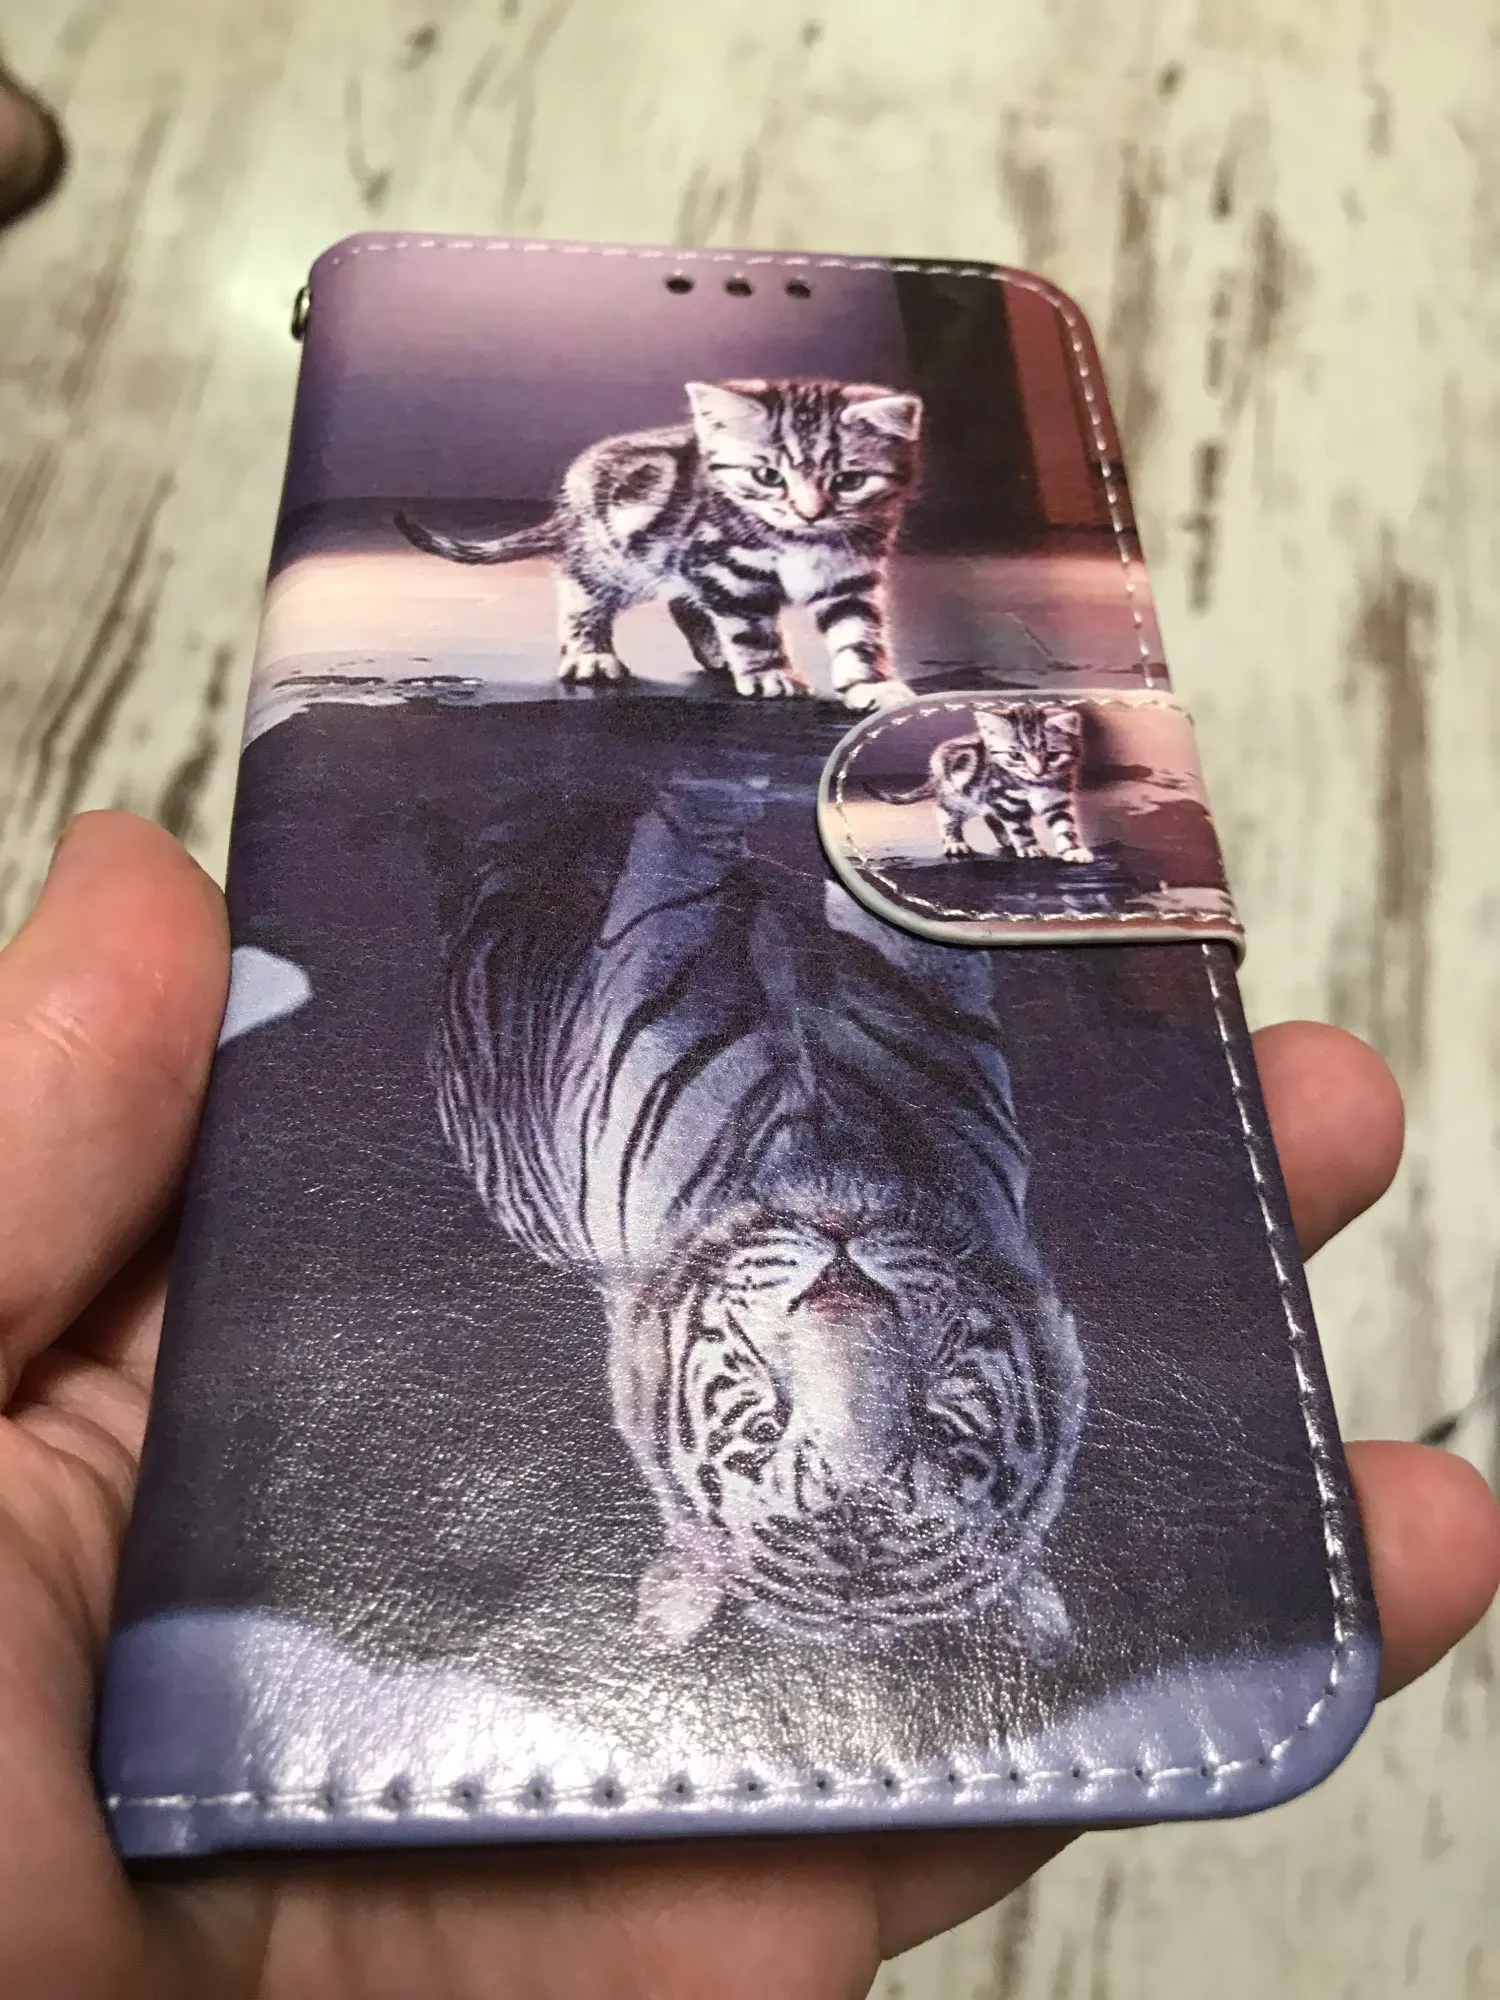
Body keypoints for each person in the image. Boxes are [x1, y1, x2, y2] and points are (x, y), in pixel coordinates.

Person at [1, 809, 1497, 1999]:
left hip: (547, 968)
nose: (843, 1329)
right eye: (946, 1431)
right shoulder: (972, 1229)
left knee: (657, 838)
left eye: (764, 1428)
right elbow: (910, 912)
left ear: (683, 1485)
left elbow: (684, 846)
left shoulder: (638, 1212)